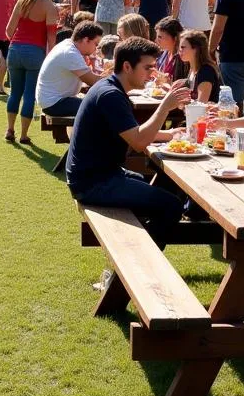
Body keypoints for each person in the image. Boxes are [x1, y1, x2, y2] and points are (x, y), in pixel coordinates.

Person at [65, 38, 192, 247]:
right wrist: (165, 107)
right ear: (127, 66)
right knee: (171, 205)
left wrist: (169, 135)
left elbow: (132, 132)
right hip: (92, 183)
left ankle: (139, 251)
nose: (152, 73)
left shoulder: (110, 88)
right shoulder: (110, 95)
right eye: (147, 67)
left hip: (96, 176)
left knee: (153, 186)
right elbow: (139, 142)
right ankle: (143, 265)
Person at [4, 0, 61, 144]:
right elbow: (51, 38)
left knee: (14, 92)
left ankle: (10, 129)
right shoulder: (49, 6)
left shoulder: (21, 1)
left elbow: (8, 31)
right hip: (35, 52)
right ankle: (23, 134)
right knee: (29, 95)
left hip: (15, 50)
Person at [37, 20, 104, 118]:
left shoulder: (68, 45)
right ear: (86, 40)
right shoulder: (70, 53)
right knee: (101, 107)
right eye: (96, 44)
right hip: (55, 103)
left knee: (98, 104)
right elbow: (93, 81)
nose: (96, 48)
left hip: (53, 100)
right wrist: (117, 78)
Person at [179, 29, 221, 103]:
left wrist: (182, 103)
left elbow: (201, 104)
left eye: (183, 47)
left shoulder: (206, 71)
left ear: (196, 49)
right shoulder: (192, 68)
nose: (179, 50)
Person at [153, 17, 188, 83]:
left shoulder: (183, 60)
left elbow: (184, 85)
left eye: (160, 37)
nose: (156, 41)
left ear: (175, 38)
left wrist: (167, 81)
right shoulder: (164, 52)